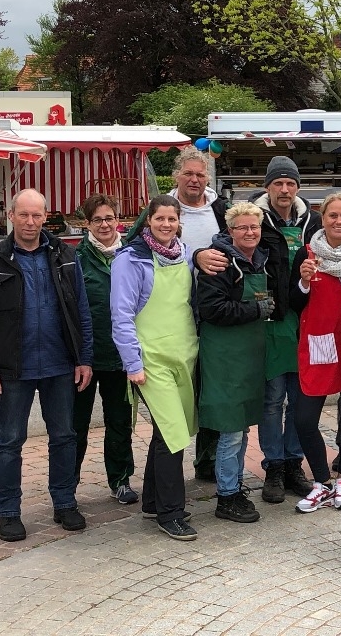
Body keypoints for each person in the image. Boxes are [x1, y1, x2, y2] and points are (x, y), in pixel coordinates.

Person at [0, 188, 94, 542]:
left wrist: (84, 358)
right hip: (13, 369)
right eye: (23, 214)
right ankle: (8, 511)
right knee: (9, 440)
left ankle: (65, 502)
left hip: (59, 365)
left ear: (45, 216)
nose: (30, 221)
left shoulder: (65, 256)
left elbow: (81, 312)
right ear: (11, 215)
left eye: (37, 215)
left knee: (65, 437)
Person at [111, 195, 199, 541]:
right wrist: (133, 363)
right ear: (148, 221)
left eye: (171, 219)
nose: (166, 225)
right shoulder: (130, 260)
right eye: (159, 218)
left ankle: (152, 501)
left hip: (185, 355)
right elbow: (121, 316)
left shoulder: (187, 254)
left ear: (179, 222)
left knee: (169, 432)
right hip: (151, 361)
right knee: (172, 435)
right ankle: (171, 513)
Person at [290, 193, 341, 513]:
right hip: (319, 343)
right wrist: (304, 282)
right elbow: (294, 303)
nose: (339, 221)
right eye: (332, 215)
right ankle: (321, 482)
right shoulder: (306, 254)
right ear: (322, 219)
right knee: (304, 418)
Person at [197, 203, 274, 524]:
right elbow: (212, 309)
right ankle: (227, 496)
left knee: (241, 428)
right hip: (224, 359)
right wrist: (257, 311)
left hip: (247, 359)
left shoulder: (258, 261)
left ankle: (234, 486)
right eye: (242, 227)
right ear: (230, 231)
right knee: (231, 430)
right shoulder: (219, 261)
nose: (250, 232)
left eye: (254, 227)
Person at [253, 156, 321, 503]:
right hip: (271, 324)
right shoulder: (254, 220)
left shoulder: (314, 221)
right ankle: (273, 466)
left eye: (289, 183)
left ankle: (295, 463)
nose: (284, 189)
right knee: (271, 400)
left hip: (307, 323)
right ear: (267, 186)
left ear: (297, 187)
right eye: (277, 183)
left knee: (300, 399)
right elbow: (226, 243)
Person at [73, 194, 138, 505]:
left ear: (118, 220)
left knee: (119, 421)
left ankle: (121, 479)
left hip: (120, 357)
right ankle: (66, 485)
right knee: (75, 425)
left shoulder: (132, 254)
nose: (104, 224)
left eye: (109, 218)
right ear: (88, 223)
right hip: (84, 357)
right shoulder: (75, 258)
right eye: (97, 219)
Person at [169, 146, 227, 482]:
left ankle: (207, 461)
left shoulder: (218, 208)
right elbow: (141, 247)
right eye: (188, 173)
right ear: (177, 175)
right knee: (180, 388)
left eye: (200, 174)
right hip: (174, 312)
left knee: (211, 386)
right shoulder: (164, 208)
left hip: (211, 312)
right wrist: (196, 258)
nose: (194, 179)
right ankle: (170, 462)